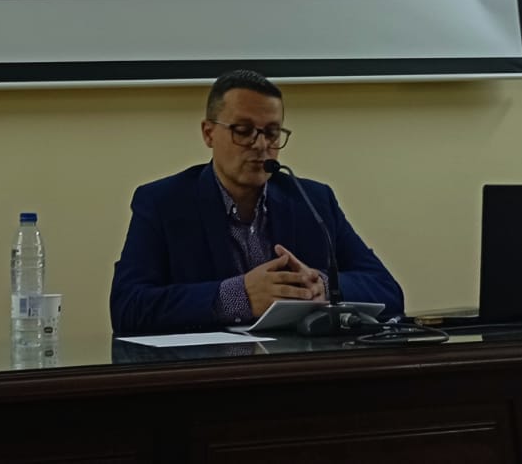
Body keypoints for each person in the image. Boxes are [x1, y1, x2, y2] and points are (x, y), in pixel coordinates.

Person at [109, 69, 403, 336]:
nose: (261, 145)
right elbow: (127, 308)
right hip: (208, 370)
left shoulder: (313, 200)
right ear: (208, 133)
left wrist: (323, 287)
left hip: (300, 366)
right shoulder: (163, 203)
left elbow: (388, 291)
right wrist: (238, 296)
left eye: (272, 133)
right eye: (243, 130)